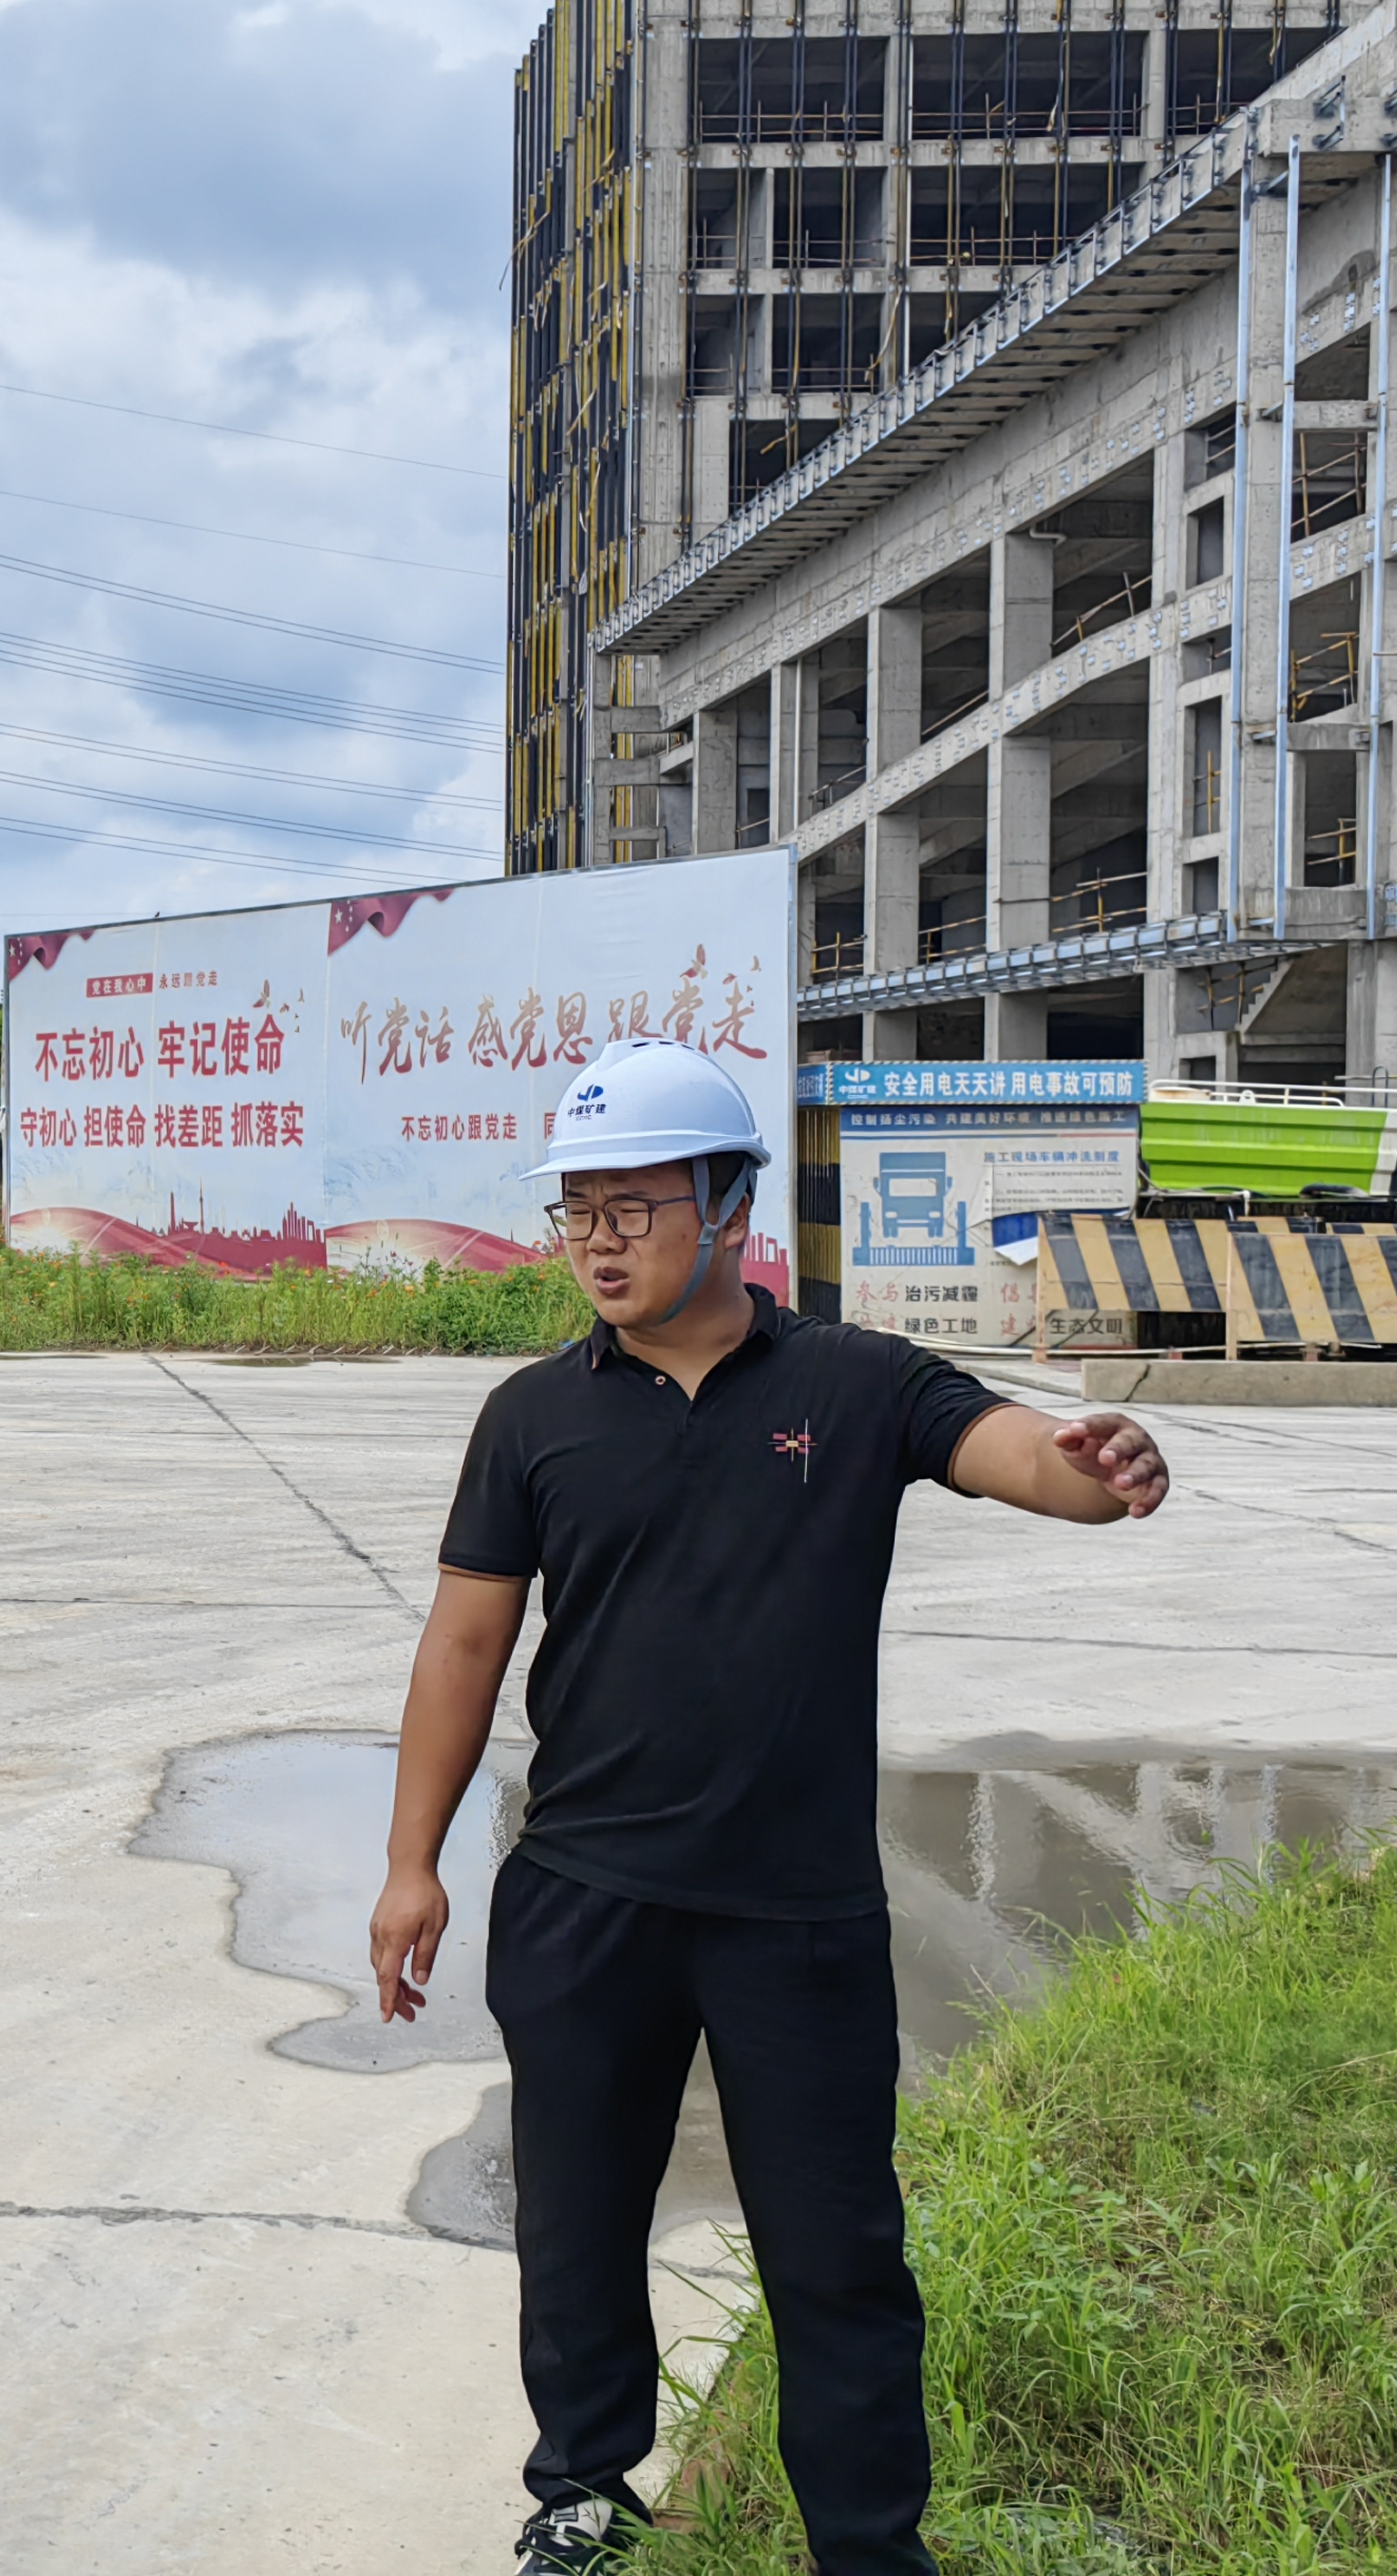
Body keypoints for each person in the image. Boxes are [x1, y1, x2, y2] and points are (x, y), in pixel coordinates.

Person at [367, 1041, 1171, 2576]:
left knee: (836, 2248)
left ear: (728, 1206)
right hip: (584, 1895)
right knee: (576, 2226)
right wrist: (415, 1863)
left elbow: (1021, 1453)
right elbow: (464, 1644)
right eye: (576, 1209)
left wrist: (1102, 1462)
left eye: (635, 1206)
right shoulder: (531, 1417)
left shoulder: (856, 1384)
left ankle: (866, 2542)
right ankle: (583, 2492)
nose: (599, 1241)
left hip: (793, 1912)